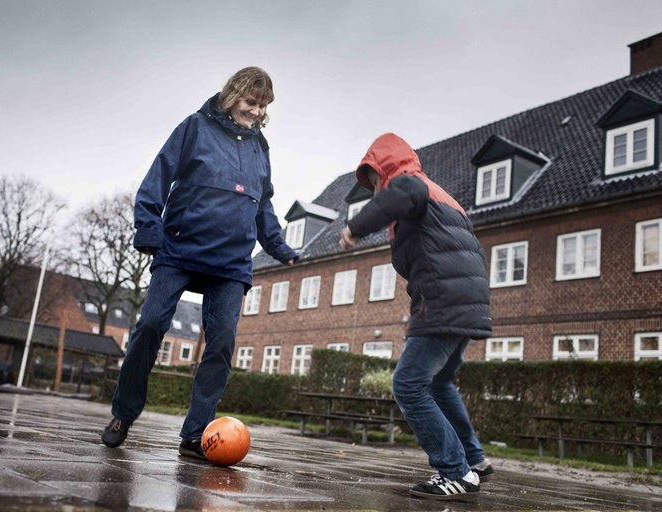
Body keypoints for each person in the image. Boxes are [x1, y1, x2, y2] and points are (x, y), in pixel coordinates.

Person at [102, 67, 298, 459]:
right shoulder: (195, 128)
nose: (256, 112)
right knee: (151, 325)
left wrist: (281, 247)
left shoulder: (261, 149)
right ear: (231, 96)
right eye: (250, 102)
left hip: (230, 261)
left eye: (262, 106)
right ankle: (123, 414)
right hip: (180, 248)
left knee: (222, 343)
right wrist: (148, 231)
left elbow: (264, 205)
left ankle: (195, 435)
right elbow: (157, 179)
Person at [339, 133, 493, 500]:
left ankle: (455, 472)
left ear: (385, 170)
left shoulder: (410, 184)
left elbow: (397, 198)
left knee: (408, 383)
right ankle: (475, 460)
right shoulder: (443, 197)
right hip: (463, 301)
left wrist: (354, 229)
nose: (375, 192)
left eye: (374, 182)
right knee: (438, 384)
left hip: (442, 301)